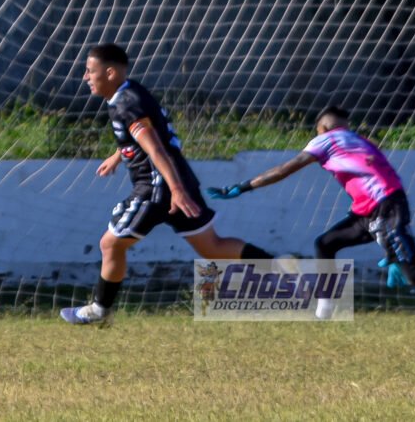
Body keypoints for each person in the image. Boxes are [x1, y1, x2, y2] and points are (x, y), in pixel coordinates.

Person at [61, 43, 274, 326]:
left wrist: (174, 190)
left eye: (90, 71)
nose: (85, 77)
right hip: (179, 178)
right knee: (212, 247)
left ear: (109, 73)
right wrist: (118, 156)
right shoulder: (131, 93)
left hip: (158, 187)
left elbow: (155, 148)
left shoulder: (126, 104)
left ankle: (100, 311)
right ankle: (281, 271)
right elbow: (147, 136)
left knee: (110, 244)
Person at [208, 105, 415, 319]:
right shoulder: (360, 140)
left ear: (323, 128)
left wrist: (243, 186)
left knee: (414, 274)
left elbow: (283, 170)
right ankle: (325, 309)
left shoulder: (325, 139)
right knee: (325, 244)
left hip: (382, 208)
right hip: (375, 208)